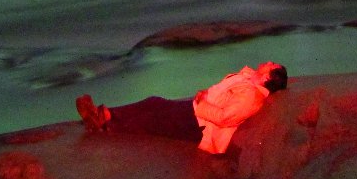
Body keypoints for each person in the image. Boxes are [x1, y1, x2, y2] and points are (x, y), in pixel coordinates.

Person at [75, 62, 288, 154]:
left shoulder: (252, 97)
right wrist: (205, 93)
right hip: (197, 110)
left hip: (199, 124)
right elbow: (223, 91)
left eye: (271, 65)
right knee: (154, 102)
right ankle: (107, 114)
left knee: (155, 120)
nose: (267, 61)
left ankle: (107, 127)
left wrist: (203, 103)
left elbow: (224, 117)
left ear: (269, 76)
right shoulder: (249, 80)